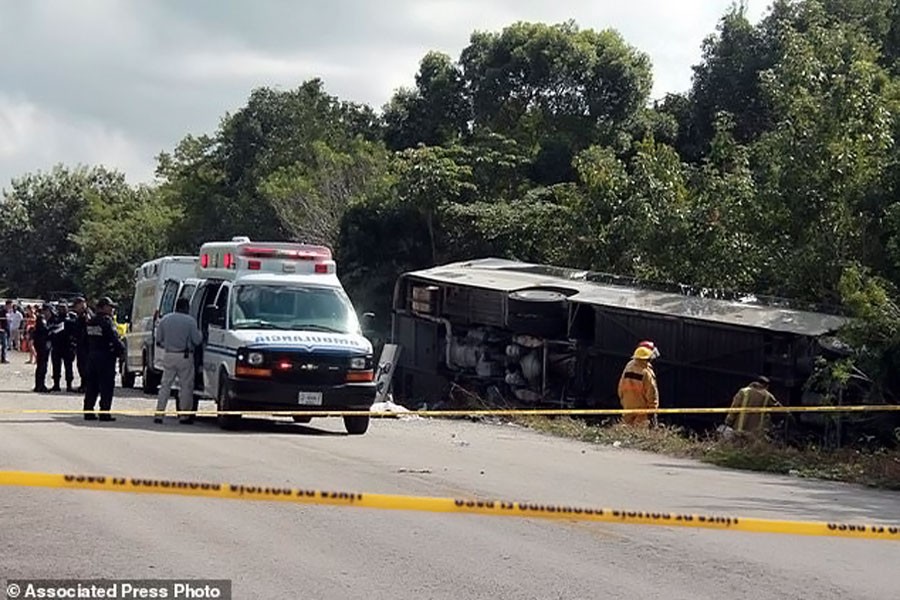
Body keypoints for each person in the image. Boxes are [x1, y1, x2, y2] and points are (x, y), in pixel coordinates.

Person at [153, 297, 203, 425]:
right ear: (186, 307)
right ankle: (184, 416)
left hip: (169, 354)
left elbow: (158, 340)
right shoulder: (190, 321)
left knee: (165, 385)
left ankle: (159, 414)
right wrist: (201, 334)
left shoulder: (165, 320)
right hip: (185, 356)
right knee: (185, 386)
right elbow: (196, 341)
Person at [83, 297, 125, 422]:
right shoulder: (106, 321)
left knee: (92, 386)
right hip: (105, 358)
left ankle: (88, 411)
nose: (112, 309)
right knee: (106, 386)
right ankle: (104, 412)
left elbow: (84, 340)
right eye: (110, 307)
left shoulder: (91, 321)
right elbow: (114, 338)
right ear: (103, 307)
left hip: (92, 357)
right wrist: (122, 350)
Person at [617, 340, 660, 427]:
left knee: (626, 430)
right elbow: (651, 394)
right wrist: (653, 411)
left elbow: (620, 387)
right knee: (639, 434)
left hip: (627, 407)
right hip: (642, 411)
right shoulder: (647, 373)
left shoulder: (629, 366)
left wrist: (624, 401)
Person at [49, 301, 76, 392]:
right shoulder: (55, 319)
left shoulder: (71, 319)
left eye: (64, 308)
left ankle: (69, 385)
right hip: (57, 346)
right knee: (56, 367)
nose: (62, 310)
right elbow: (50, 330)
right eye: (60, 308)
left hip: (68, 346)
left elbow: (75, 331)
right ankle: (56, 384)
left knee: (68, 367)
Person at [71, 297, 92, 393]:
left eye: (77, 305)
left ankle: (87, 386)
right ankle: (83, 385)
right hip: (80, 344)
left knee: (85, 366)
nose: (75, 308)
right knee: (81, 366)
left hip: (87, 345)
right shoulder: (79, 315)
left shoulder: (88, 314)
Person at [32, 305, 53, 392]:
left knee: (41, 365)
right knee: (42, 365)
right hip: (42, 344)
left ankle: (39, 384)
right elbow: (45, 329)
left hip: (41, 344)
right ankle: (40, 385)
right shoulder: (41, 318)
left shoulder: (40, 318)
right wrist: (52, 328)